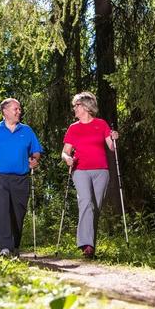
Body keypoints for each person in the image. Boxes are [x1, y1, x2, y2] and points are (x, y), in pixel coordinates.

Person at [0, 98, 43, 258]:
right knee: (2, 211)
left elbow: (36, 151)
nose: (19, 111)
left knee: (18, 213)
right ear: (5, 111)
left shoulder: (27, 131)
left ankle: (15, 245)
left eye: (19, 109)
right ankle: (5, 248)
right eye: (16, 109)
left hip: (21, 177)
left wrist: (35, 160)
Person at [61, 92, 118, 258]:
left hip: (101, 170)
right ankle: (87, 245)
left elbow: (111, 147)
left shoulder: (101, 124)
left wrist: (114, 138)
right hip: (80, 170)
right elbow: (65, 152)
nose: (74, 109)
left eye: (76, 105)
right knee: (85, 202)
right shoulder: (74, 128)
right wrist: (67, 159)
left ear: (86, 106)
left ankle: (90, 243)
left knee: (95, 207)